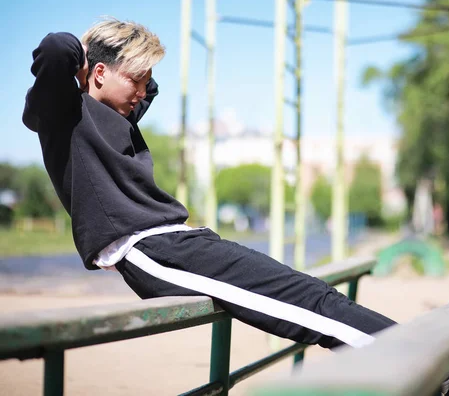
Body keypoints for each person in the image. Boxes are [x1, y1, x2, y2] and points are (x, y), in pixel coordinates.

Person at [23, 18, 396, 350]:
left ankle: (424, 355)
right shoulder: (63, 111)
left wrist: (133, 75)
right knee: (306, 307)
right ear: (99, 72)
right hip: (147, 248)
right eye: (135, 80)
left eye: (145, 81)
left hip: (178, 238)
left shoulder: (119, 112)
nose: (142, 92)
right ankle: (422, 363)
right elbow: (57, 47)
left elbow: (148, 92)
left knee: (311, 293)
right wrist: (84, 55)